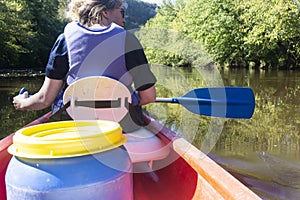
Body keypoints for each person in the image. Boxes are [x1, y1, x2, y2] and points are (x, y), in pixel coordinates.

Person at [13, 0, 156, 132]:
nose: (124, 20)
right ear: (105, 12)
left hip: (77, 126)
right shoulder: (128, 40)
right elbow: (149, 97)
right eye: (122, 12)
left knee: (60, 103)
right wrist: (131, 99)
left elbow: (44, 99)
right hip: (121, 126)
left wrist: (22, 103)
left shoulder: (65, 40)